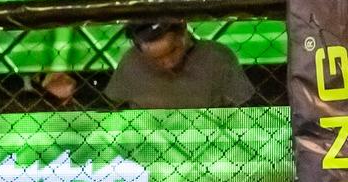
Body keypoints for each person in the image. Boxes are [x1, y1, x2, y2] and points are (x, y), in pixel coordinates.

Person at [103, 20, 252, 110]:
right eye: (156, 58)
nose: (168, 64)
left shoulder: (216, 57)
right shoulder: (132, 62)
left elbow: (244, 109)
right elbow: (112, 109)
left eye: (173, 50)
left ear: (183, 31)